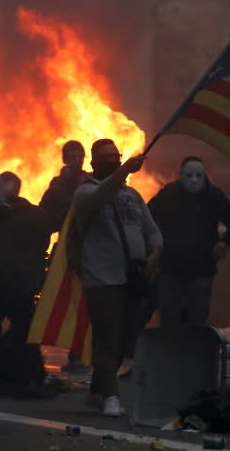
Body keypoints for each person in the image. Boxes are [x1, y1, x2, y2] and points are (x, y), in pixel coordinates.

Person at [71, 139, 162, 417]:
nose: (112, 161)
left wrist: (156, 251)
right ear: (94, 163)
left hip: (132, 278)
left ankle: (97, 391)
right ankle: (112, 396)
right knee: (108, 338)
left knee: (124, 339)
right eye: (106, 158)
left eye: (116, 157)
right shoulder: (85, 191)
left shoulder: (132, 196)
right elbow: (100, 196)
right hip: (102, 278)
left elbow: (151, 229)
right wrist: (122, 171)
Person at [147, 156, 230, 327]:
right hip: (171, 268)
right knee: (169, 319)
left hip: (202, 269)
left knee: (197, 318)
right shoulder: (169, 193)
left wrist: (225, 242)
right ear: (180, 175)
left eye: (198, 176)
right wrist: (155, 246)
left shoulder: (214, 196)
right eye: (189, 175)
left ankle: (194, 352)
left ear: (204, 175)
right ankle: (171, 352)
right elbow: (148, 218)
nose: (194, 180)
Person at [0, 171, 57, 399]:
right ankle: (30, 376)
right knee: (26, 329)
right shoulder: (36, 216)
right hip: (23, 283)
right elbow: (45, 241)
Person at [39, 140, 90, 373]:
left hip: (89, 249)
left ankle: (79, 355)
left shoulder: (90, 182)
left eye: (79, 153)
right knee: (63, 303)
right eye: (71, 154)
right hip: (66, 250)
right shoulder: (57, 186)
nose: (75, 158)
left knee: (84, 306)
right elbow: (46, 217)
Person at [40, 140, 88, 232]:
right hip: (66, 233)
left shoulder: (89, 179)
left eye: (80, 157)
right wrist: (63, 183)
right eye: (73, 157)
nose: (77, 161)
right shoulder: (56, 183)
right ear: (65, 159)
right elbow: (46, 214)